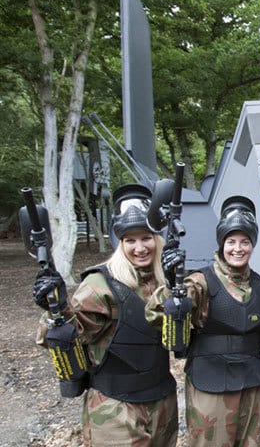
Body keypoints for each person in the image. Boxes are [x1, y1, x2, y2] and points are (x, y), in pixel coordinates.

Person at [34, 184, 178, 446]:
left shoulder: (164, 281)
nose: (140, 247)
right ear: (119, 242)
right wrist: (54, 309)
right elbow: (70, 333)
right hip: (116, 409)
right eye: (130, 240)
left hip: (162, 402)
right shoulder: (101, 284)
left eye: (146, 237)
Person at [145, 195, 260, 446]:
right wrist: (171, 285)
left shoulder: (256, 282)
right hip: (211, 381)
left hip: (251, 380)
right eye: (231, 241)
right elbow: (156, 313)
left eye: (245, 241)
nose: (238, 248)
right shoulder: (201, 281)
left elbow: (258, 325)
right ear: (222, 243)